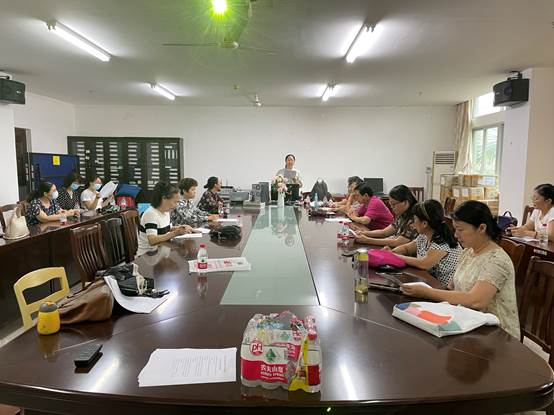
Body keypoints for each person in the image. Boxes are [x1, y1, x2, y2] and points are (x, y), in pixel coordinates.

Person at [401, 201, 520, 339]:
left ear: (482, 228)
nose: (456, 235)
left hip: (495, 333)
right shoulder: (468, 252)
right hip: (467, 321)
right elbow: (451, 288)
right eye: (455, 229)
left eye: (460, 230)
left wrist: (428, 293)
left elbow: (476, 301)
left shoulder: (497, 260)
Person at [389, 199, 461, 286]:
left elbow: (423, 263)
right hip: (427, 283)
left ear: (424, 223)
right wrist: (393, 251)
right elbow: (407, 248)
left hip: (441, 289)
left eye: (414, 219)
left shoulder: (442, 242)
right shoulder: (424, 236)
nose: (412, 224)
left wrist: (395, 256)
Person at [137, 181, 195, 256]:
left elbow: (168, 228)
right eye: (175, 202)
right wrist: (175, 233)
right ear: (164, 198)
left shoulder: (166, 211)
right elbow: (152, 240)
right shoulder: (151, 213)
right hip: (148, 255)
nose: (176, 206)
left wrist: (182, 227)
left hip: (161, 251)